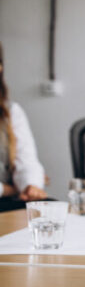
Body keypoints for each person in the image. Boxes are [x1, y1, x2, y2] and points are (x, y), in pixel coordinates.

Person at [0, 42, 48, 211]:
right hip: (7, 196)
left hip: (8, 202)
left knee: (53, 213)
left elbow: (27, 160)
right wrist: (8, 189)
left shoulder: (11, 112)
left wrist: (30, 185)